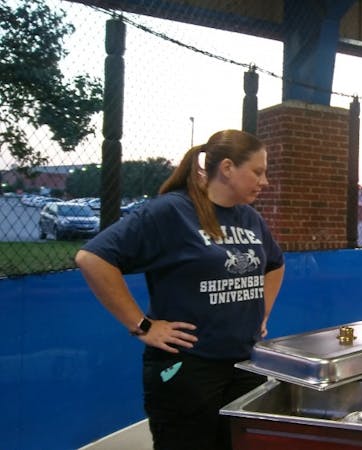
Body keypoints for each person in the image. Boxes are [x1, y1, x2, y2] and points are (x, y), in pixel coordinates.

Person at [75, 129, 285, 450]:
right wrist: (142, 326)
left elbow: (274, 264)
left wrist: (262, 310)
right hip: (187, 368)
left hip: (244, 363)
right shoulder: (170, 212)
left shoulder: (249, 218)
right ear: (227, 168)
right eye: (257, 171)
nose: (265, 181)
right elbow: (92, 258)